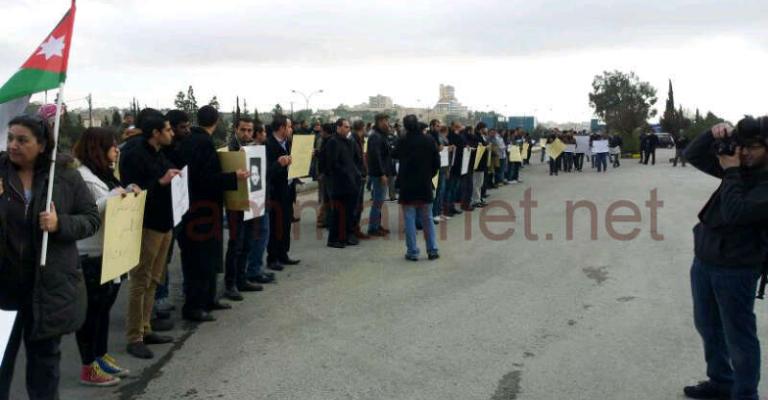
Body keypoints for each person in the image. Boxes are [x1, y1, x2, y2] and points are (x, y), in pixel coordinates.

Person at [0, 115, 100, 399]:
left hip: (48, 285)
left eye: (22, 140)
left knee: (44, 366)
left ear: (42, 145)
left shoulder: (65, 175)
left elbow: (91, 219)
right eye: (10, 138)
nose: (13, 145)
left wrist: (60, 225)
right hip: (5, 287)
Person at [682, 116, 768, 400]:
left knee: (739, 337)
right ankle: (721, 382)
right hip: (706, 260)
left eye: (753, 147)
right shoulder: (741, 168)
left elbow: (737, 213)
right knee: (707, 326)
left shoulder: (756, 179)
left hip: (737, 269)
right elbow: (692, 154)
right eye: (742, 146)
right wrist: (713, 132)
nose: (744, 153)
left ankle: (745, 394)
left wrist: (731, 172)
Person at [73, 128, 139, 386]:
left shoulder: (104, 174)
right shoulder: (84, 178)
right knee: (91, 313)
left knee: (103, 311)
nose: (117, 150)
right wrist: (113, 198)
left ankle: (100, 356)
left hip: (110, 252)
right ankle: (88, 366)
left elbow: (113, 196)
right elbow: (90, 211)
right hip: (92, 254)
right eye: (112, 146)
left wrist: (127, 191)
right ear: (98, 148)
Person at [119, 109, 180, 358]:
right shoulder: (135, 154)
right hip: (147, 225)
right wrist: (162, 182)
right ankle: (134, 337)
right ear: (155, 133)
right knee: (140, 281)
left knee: (154, 279)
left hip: (164, 223)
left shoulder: (159, 152)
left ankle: (146, 327)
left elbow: (166, 174)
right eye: (167, 130)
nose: (171, 133)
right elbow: (134, 193)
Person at [177, 105, 247, 321]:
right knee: (201, 259)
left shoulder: (188, 140)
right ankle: (195, 306)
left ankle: (208, 299)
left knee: (207, 257)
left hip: (193, 209)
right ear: (216, 122)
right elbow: (205, 179)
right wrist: (233, 176)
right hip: (203, 210)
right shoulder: (204, 144)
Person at [223, 117, 265, 301]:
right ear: (236, 130)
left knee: (248, 242)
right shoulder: (229, 149)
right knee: (236, 244)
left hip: (253, 200)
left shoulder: (255, 148)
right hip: (236, 204)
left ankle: (242, 279)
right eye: (243, 130)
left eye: (249, 130)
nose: (246, 133)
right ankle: (230, 284)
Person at [392, 115, 440, 261]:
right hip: (424, 185)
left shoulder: (402, 141)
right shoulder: (429, 140)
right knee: (428, 219)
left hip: (407, 186)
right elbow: (436, 163)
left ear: (405, 127)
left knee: (409, 220)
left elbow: (393, 154)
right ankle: (432, 250)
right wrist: (429, 175)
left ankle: (412, 252)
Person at [266, 114, 301, 270]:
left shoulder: (287, 143)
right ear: (281, 128)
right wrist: (279, 163)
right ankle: (272, 258)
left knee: (286, 224)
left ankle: (283, 254)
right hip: (275, 193)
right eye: (289, 126)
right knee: (275, 226)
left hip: (287, 190)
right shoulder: (268, 144)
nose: (291, 129)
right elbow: (266, 171)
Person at [245, 123, 276, 285]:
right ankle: (253, 270)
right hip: (256, 198)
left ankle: (257, 268)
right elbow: (263, 173)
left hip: (262, 196)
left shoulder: (260, 149)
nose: (265, 134)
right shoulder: (251, 150)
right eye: (262, 131)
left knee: (262, 234)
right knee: (260, 234)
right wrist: (278, 164)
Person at [324, 118, 362, 248]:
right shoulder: (332, 142)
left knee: (348, 212)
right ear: (338, 127)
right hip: (338, 183)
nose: (348, 129)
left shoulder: (349, 142)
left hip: (351, 183)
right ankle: (333, 239)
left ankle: (345, 236)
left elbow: (355, 160)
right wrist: (345, 172)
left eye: (349, 127)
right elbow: (331, 164)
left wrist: (356, 174)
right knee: (338, 213)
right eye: (345, 127)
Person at [366, 113, 393, 236]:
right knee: (378, 201)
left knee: (380, 201)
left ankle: (377, 225)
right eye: (386, 121)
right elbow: (375, 157)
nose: (387, 124)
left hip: (382, 172)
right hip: (378, 174)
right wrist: (382, 174)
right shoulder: (375, 137)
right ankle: (373, 228)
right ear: (379, 122)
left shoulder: (381, 135)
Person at [350, 120, 370, 240]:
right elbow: (354, 160)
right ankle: (353, 230)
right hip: (357, 177)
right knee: (356, 206)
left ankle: (355, 229)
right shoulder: (353, 141)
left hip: (360, 175)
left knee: (359, 205)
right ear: (362, 128)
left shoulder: (359, 140)